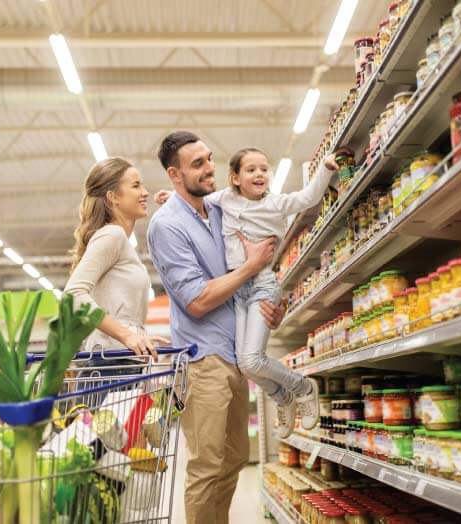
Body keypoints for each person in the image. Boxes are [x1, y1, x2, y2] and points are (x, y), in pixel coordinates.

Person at [154, 147, 341, 438]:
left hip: (263, 285)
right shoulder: (223, 199)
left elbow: (308, 197)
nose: (259, 174)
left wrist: (327, 169)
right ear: (235, 178)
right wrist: (169, 197)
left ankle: (302, 387)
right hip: (236, 290)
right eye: (251, 170)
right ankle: (282, 396)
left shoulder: (276, 203)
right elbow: (191, 200)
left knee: (252, 359)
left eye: (264, 169)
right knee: (246, 364)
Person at [147, 131, 284, 524]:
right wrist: (250, 267)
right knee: (207, 464)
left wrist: (271, 299)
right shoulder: (167, 226)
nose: (210, 169)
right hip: (202, 359)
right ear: (175, 175)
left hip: (236, 351)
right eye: (197, 164)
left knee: (236, 456)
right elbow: (197, 299)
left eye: (209, 159)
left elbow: (255, 261)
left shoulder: (220, 209)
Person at [64, 157, 169, 363]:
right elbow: (73, 295)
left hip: (120, 357)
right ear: (113, 197)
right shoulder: (112, 235)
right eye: (136, 185)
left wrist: (136, 332)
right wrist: (127, 334)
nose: (145, 192)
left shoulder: (121, 242)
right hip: (113, 360)